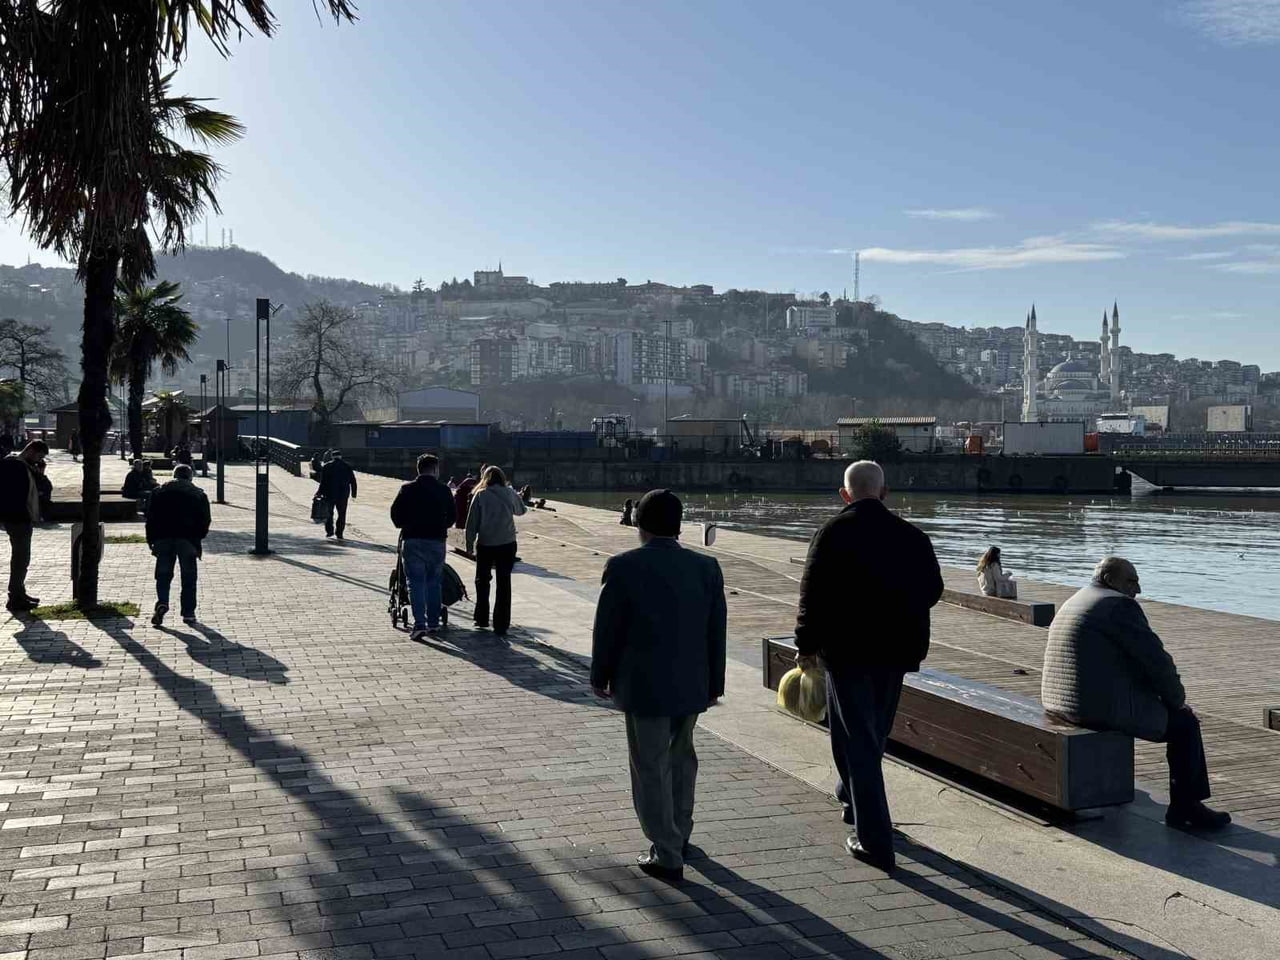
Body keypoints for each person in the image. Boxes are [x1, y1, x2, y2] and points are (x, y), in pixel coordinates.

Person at [793, 460, 943, 872]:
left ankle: (874, 840)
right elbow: (932, 590)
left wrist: (805, 645)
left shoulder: (832, 533)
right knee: (870, 731)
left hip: (846, 651)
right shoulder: (912, 536)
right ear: (884, 491)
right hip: (896, 651)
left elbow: (813, 595)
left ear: (845, 494)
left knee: (856, 737)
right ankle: (851, 797)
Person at [591, 489, 727, 883]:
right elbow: (716, 631)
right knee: (683, 760)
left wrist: (600, 676)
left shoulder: (623, 566)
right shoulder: (707, 567)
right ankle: (680, 833)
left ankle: (666, 851)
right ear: (680, 525)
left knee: (650, 766)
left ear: (638, 523)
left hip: (643, 685)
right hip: (692, 683)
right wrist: (714, 683)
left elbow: (608, 630)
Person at [1042, 557, 1230, 831]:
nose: (1138, 590)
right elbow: (1156, 661)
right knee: (1185, 725)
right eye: (1131, 581)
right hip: (1093, 708)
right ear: (1109, 579)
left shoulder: (1078, 598)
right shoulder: (1117, 606)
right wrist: (1176, 701)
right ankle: (1186, 808)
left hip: (1060, 702)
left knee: (1169, 714)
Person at [391, 454, 456, 640]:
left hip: (412, 540)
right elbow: (453, 515)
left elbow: (395, 513)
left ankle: (419, 623)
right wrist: (442, 525)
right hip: (436, 540)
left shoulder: (407, 489)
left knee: (415, 583)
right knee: (434, 582)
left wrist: (404, 524)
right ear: (435, 469)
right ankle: (434, 622)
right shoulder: (444, 490)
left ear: (418, 469)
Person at [145, 463, 212, 627]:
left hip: (163, 538)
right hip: (187, 540)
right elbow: (205, 520)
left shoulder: (158, 492)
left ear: (174, 475)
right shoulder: (198, 495)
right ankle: (188, 613)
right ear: (190, 477)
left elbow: (150, 517)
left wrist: (151, 539)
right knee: (188, 577)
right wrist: (198, 538)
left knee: (163, 575)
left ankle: (162, 602)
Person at [464, 466, 526, 636]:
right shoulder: (509, 493)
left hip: (485, 543)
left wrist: (469, 545)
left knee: (482, 581)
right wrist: (516, 496)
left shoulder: (480, 495)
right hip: (507, 543)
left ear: (485, 478)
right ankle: (501, 623)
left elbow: (471, 523)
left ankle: (481, 618)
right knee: (504, 583)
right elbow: (522, 511)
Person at [0, 440, 50, 611]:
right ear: (30, 450)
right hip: (17, 518)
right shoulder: (14, 465)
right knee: (21, 559)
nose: (38, 461)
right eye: (39, 456)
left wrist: (40, 472)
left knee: (22, 558)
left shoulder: (25, 467)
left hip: (21, 518)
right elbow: (14, 494)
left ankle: (19, 592)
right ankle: (14, 597)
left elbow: (43, 487)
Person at [318, 451, 358, 539]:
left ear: (332, 457)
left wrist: (319, 492)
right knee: (342, 514)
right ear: (340, 456)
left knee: (329, 513)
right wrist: (354, 494)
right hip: (343, 494)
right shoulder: (347, 466)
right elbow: (353, 481)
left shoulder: (327, 466)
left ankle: (329, 531)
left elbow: (323, 482)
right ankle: (339, 533)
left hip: (329, 493)